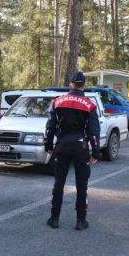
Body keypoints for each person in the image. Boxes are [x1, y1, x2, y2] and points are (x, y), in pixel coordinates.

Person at [44, 71, 100, 231]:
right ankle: (80, 221)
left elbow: (50, 126)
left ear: (70, 84)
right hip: (80, 146)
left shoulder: (57, 101)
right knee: (82, 185)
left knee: (58, 183)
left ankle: (54, 219)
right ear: (84, 85)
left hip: (62, 145)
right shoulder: (90, 104)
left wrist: (48, 145)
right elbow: (94, 131)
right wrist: (95, 152)